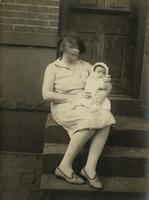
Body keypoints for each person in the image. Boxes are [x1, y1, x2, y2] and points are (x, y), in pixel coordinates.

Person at [42, 33, 116, 189]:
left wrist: (103, 94)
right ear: (63, 47)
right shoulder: (53, 68)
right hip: (63, 105)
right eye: (71, 47)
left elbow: (106, 83)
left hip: (85, 104)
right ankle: (64, 167)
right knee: (90, 122)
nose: (75, 51)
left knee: (106, 117)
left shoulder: (87, 66)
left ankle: (89, 168)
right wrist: (69, 98)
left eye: (77, 47)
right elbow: (46, 95)